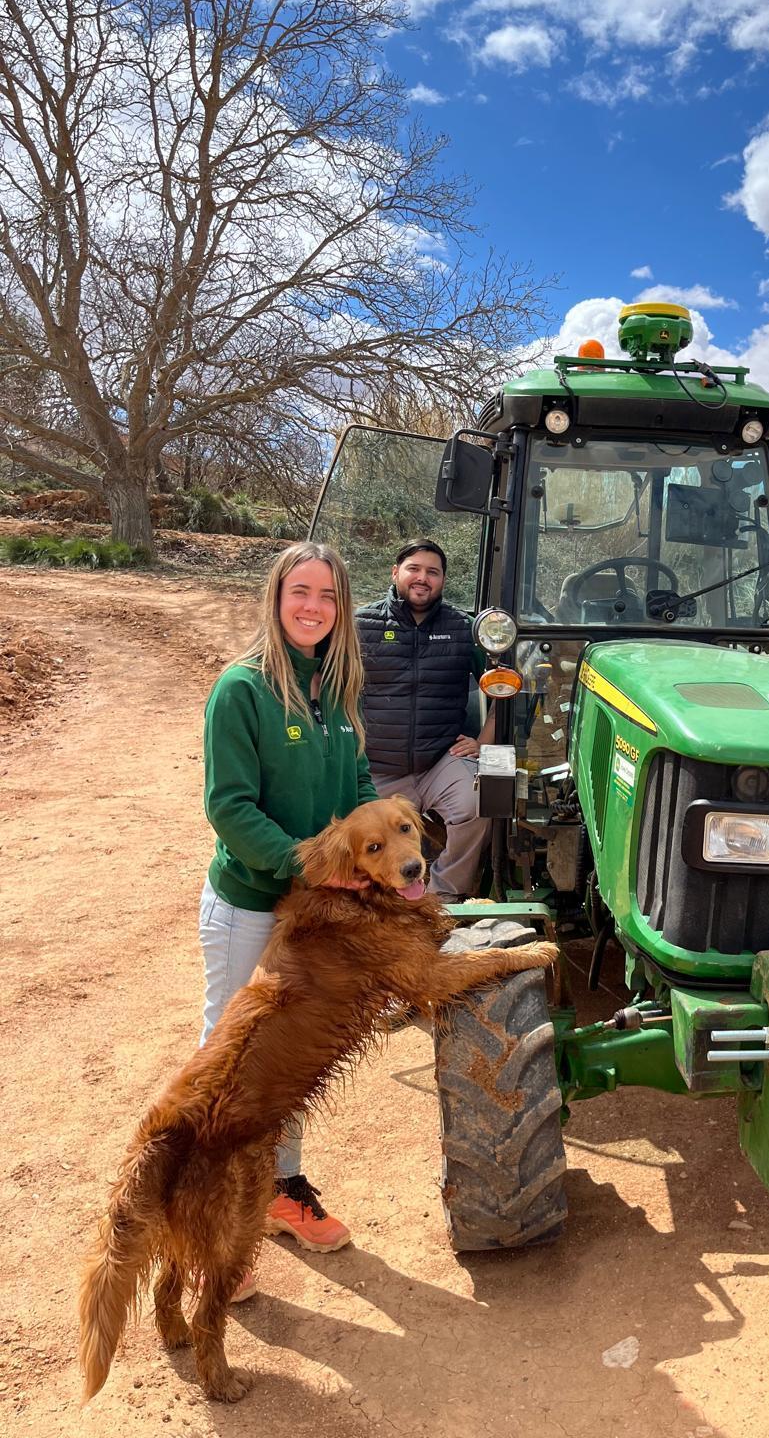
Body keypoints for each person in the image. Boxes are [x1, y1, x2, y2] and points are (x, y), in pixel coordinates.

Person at [201, 541, 376, 1291]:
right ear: (276, 598)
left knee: (292, 1056)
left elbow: (359, 783)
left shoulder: (335, 690)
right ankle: (209, 1225)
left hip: (315, 913)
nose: (313, 607)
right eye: (300, 591)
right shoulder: (241, 690)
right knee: (232, 1065)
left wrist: (378, 850)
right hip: (251, 908)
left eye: (328, 596)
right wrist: (311, 864)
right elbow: (229, 807)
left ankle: (277, 1189)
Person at [356, 540, 492, 900]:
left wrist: (484, 742)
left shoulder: (464, 629)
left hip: (438, 762)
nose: (422, 578)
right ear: (395, 572)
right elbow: (328, 685)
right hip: (377, 767)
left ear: (443, 580)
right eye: (414, 569)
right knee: (359, 832)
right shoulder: (361, 625)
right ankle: (378, 898)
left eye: (433, 572)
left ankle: (445, 896)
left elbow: (505, 689)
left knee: (479, 804)